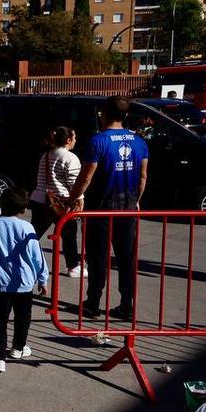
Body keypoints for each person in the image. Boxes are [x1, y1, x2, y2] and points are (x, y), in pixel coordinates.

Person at [68, 95, 149, 319]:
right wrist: (137, 200)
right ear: (126, 115)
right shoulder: (139, 142)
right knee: (126, 258)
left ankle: (93, 302)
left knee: (97, 258)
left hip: (100, 209)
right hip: (127, 208)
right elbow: (143, 176)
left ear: (103, 114)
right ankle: (126, 305)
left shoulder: (98, 141)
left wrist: (73, 198)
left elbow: (86, 176)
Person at [0, 186, 48, 373]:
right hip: (23, 283)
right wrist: (43, 279)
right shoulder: (27, 227)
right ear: (24, 208)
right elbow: (37, 257)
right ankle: (18, 348)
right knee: (23, 317)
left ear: (1, 203)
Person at [29, 126, 83, 278]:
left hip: (40, 199)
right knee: (69, 236)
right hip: (61, 203)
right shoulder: (70, 158)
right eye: (74, 137)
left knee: (34, 233)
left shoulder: (46, 155)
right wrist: (80, 199)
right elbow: (74, 183)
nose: (75, 140)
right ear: (68, 140)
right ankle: (73, 266)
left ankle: (18, 257)